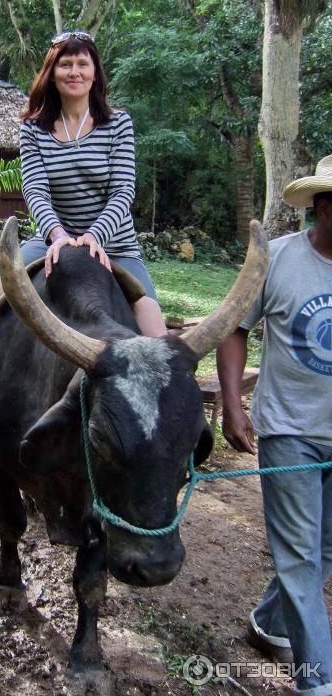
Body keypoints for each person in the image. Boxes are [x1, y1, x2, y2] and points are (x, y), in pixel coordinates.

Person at [0, 29, 166, 456]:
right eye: (65, 64)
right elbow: (35, 191)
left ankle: (166, 431)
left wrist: (93, 236)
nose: (74, 71)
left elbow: (124, 190)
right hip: (49, 243)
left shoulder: (118, 122)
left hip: (116, 248)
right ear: (52, 73)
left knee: (157, 338)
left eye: (82, 63)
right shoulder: (33, 129)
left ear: (95, 73)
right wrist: (58, 236)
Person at [216, 154, 332, 695]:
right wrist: (235, 404)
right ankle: (318, 682)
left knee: (325, 550)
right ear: (323, 208)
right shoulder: (278, 259)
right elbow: (235, 327)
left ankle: (268, 621)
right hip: (289, 432)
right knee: (301, 558)